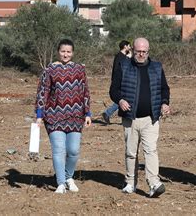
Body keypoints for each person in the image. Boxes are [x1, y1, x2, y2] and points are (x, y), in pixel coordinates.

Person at [109, 37, 170, 198]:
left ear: (148, 51)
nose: (141, 54)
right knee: (131, 152)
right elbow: (113, 90)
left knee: (151, 150)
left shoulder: (157, 67)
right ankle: (130, 182)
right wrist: (120, 100)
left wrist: (165, 103)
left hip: (151, 118)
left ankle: (153, 183)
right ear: (132, 51)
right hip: (130, 118)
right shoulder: (124, 66)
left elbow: (165, 88)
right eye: (138, 51)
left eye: (144, 52)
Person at [35, 38, 92, 194]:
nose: (65, 54)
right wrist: (39, 114)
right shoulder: (50, 70)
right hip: (54, 116)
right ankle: (60, 183)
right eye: (63, 51)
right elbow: (43, 92)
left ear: (72, 53)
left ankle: (68, 177)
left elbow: (85, 91)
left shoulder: (80, 69)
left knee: (73, 151)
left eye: (68, 51)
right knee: (59, 150)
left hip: (76, 116)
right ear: (58, 52)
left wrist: (87, 113)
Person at [102, 40, 132, 124]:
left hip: (119, 81)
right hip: (121, 82)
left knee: (123, 99)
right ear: (125, 46)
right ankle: (108, 113)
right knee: (124, 98)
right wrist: (129, 58)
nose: (130, 48)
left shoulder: (119, 56)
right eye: (129, 46)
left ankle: (108, 113)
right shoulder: (122, 57)